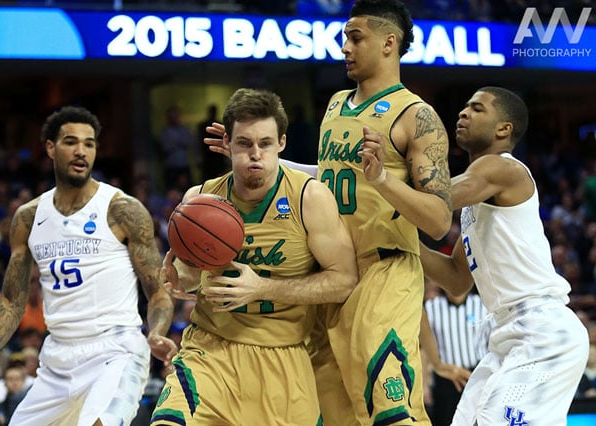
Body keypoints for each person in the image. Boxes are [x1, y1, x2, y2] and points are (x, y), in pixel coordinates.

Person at [204, 1, 452, 424]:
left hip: (384, 270)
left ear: (389, 42)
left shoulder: (417, 115)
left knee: (387, 405)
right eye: (345, 37)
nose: (345, 47)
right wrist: (257, 157)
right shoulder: (338, 103)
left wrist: (384, 181)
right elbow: (330, 176)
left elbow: (440, 220)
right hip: (332, 276)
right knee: (337, 411)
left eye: (356, 38)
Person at [0, 106, 178, 425]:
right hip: (56, 359)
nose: (81, 151)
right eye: (71, 142)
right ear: (50, 147)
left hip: (115, 350)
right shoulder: (29, 218)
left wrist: (156, 332)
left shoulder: (123, 210)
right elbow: (10, 302)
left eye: (89, 144)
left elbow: (157, 292)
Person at [151, 88, 359, 425]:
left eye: (265, 143)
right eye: (245, 143)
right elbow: (189, 274)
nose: (255, 154)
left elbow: (344, 280)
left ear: (282, 144)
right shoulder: (199, 199)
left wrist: (262, 288)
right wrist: (180, 279)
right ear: (228, 145)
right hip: (210, 351)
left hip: (284, 359)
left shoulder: (310, 198)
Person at [419, 86, 589, 425]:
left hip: (543, 331)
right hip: (507, 334)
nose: (463, 113)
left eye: (477, 108)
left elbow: (436, 201)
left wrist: (381, 180)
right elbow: (455, 280)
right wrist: (404, 240)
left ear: (504, 129)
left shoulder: (503, 169)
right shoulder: (476, 204)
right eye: (464, 106)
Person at [423, 279, 488, 426]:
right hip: (446, 378)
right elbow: (423, 348)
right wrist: (424, 383)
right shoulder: (431, 307)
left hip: (477, 375)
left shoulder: (481, 304)